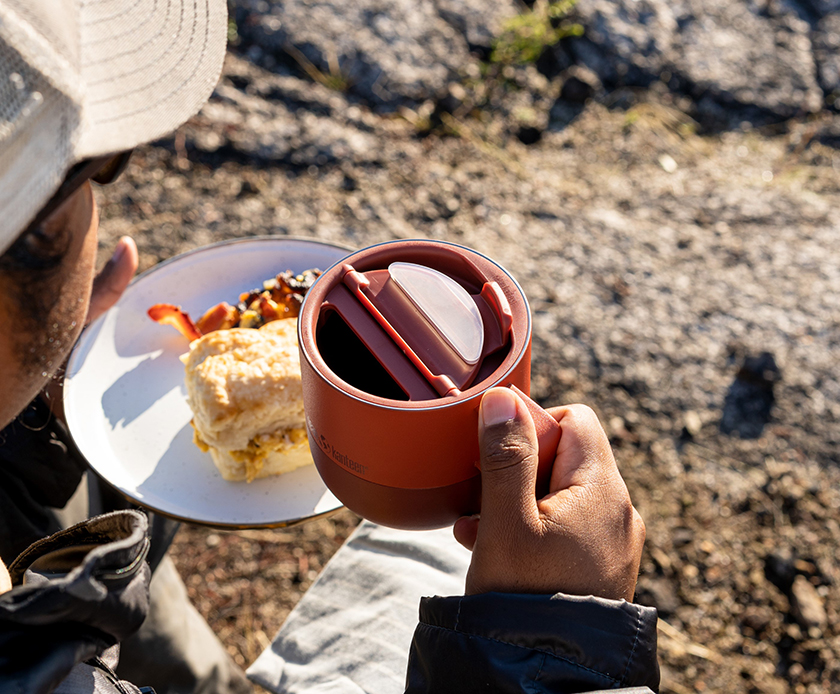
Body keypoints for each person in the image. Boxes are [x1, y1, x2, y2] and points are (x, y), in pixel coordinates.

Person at [0, 1, 660, 693]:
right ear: (41, 234)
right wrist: (551, 653)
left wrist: (29, 421)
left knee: (174, 656)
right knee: (421, 557)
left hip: (79, 621)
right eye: (96, 165)